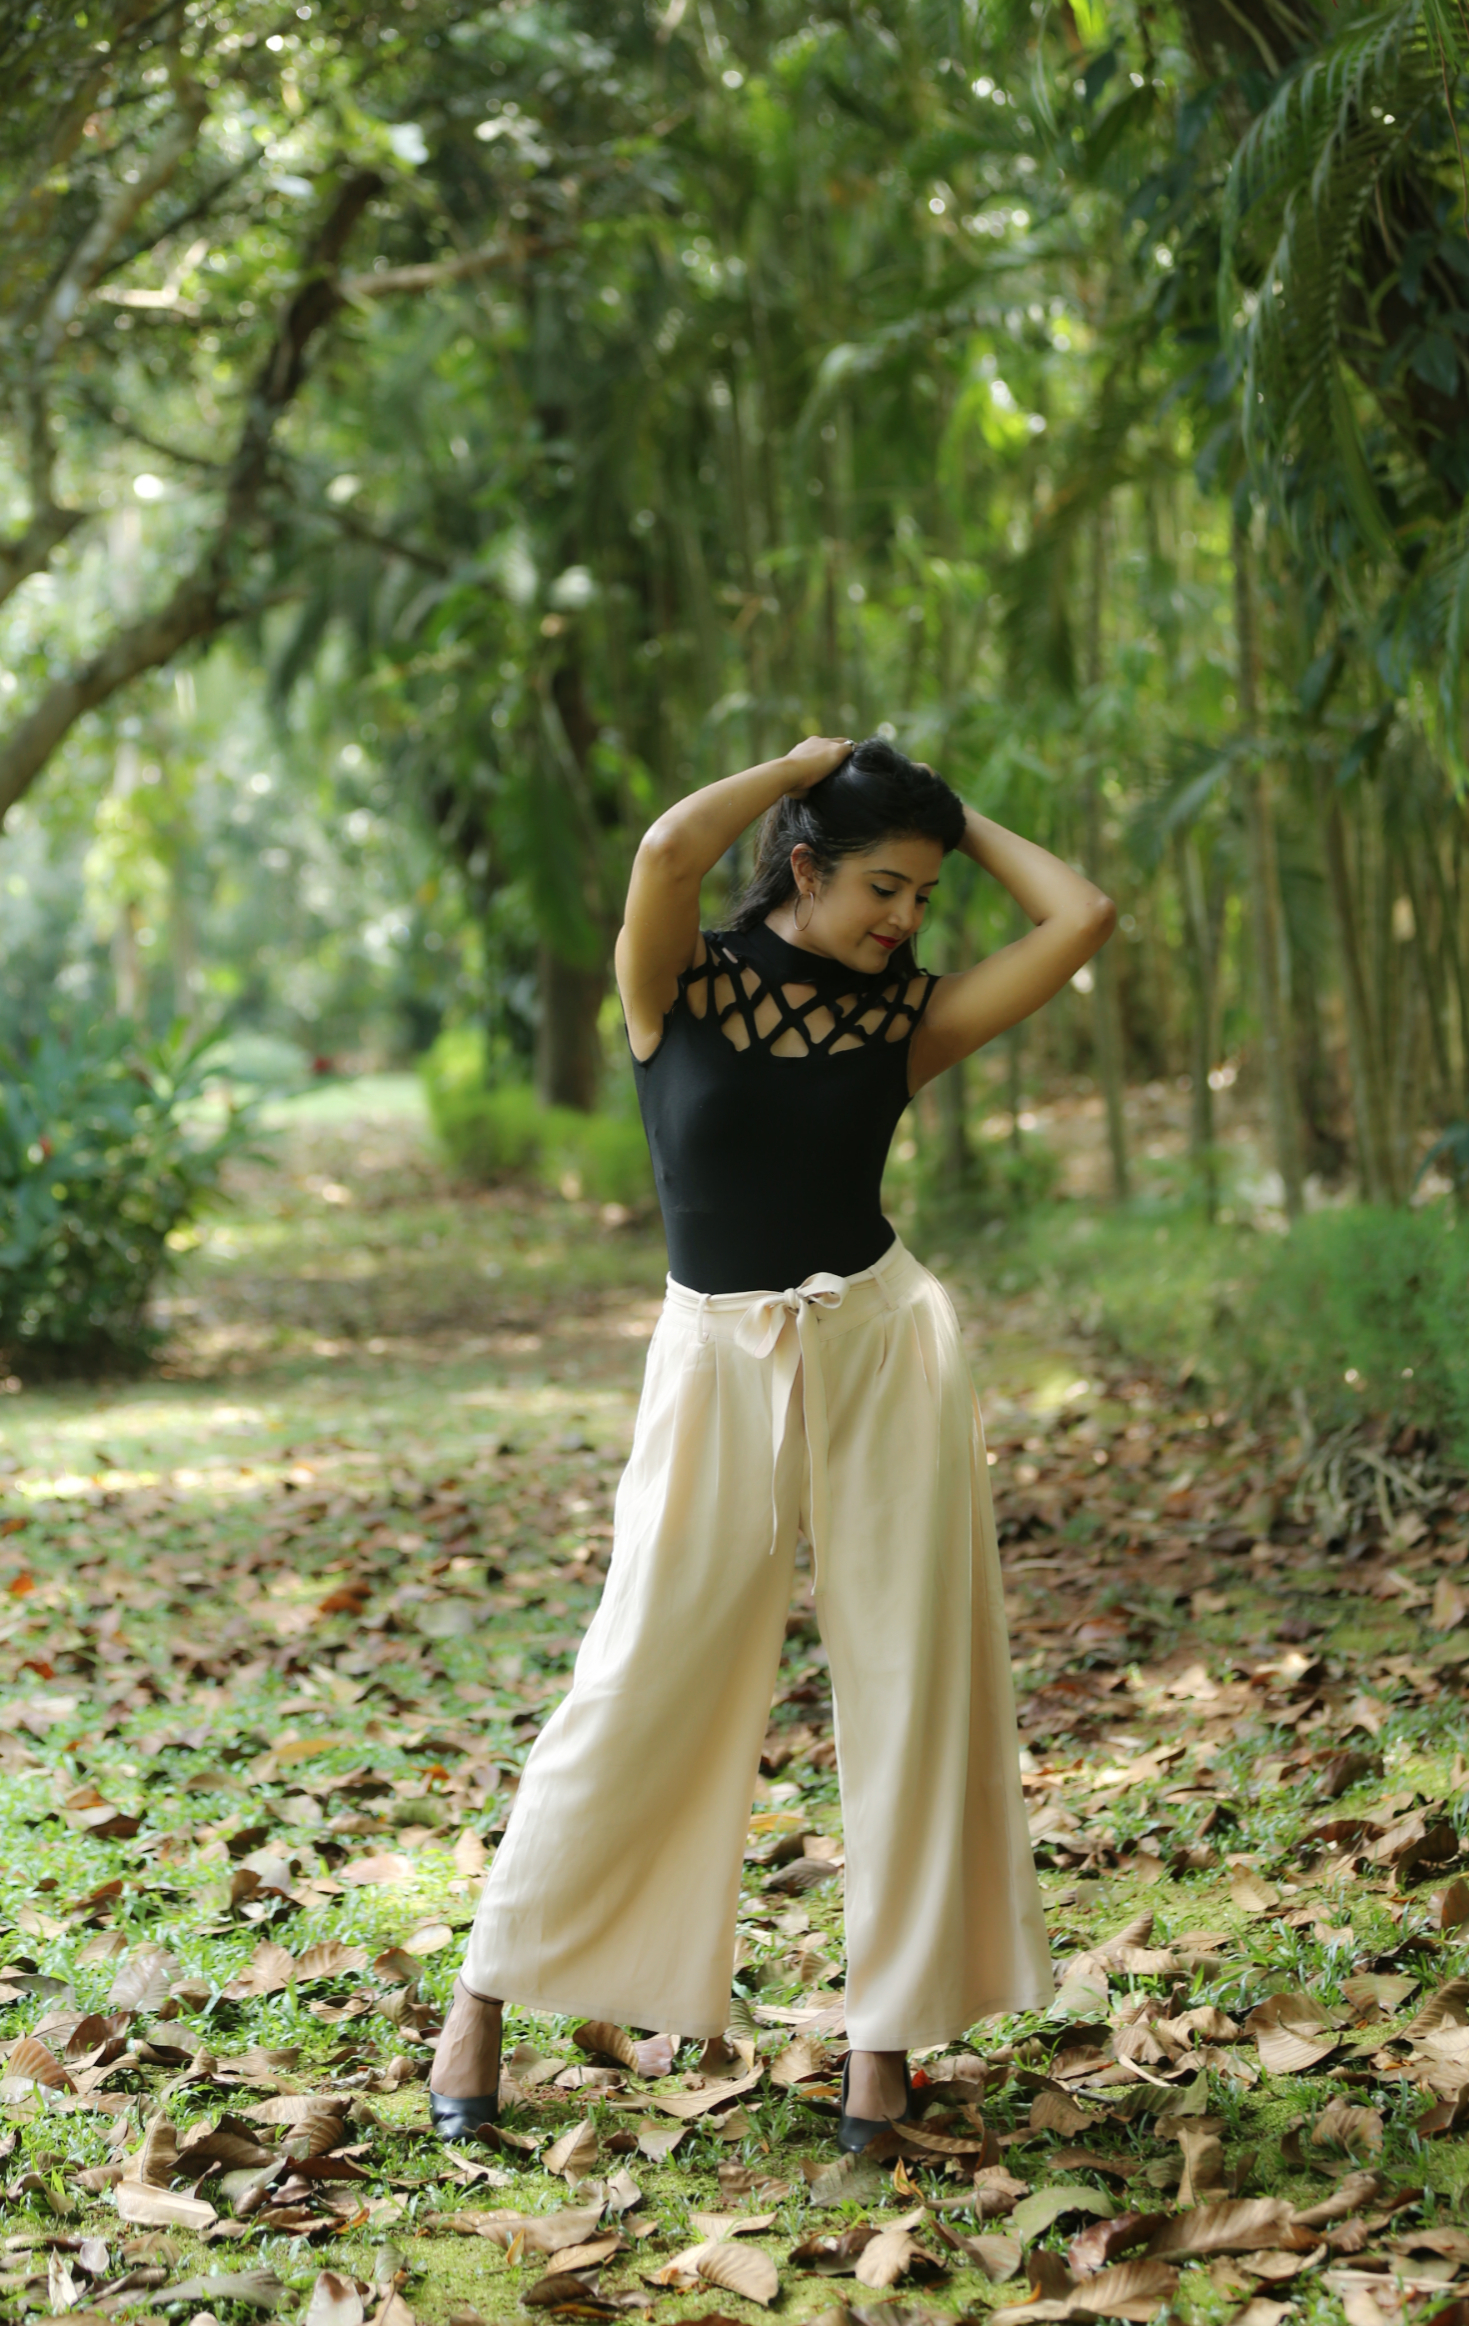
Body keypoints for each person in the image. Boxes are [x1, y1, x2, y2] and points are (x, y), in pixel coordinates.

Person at [428, 735, 1116, 2149]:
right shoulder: (674, 984)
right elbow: (666, 852)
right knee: (641, 1666)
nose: (906, 919)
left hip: (883, 1343)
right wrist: (801, 762)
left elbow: (1082, 916)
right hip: (717, 1359)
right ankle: (485, 1993)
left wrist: (947, 816)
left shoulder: (908, 1018)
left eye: (923, 895)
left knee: (913, 1681)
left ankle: (883, 2053)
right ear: (804, 867)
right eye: (882, 887)